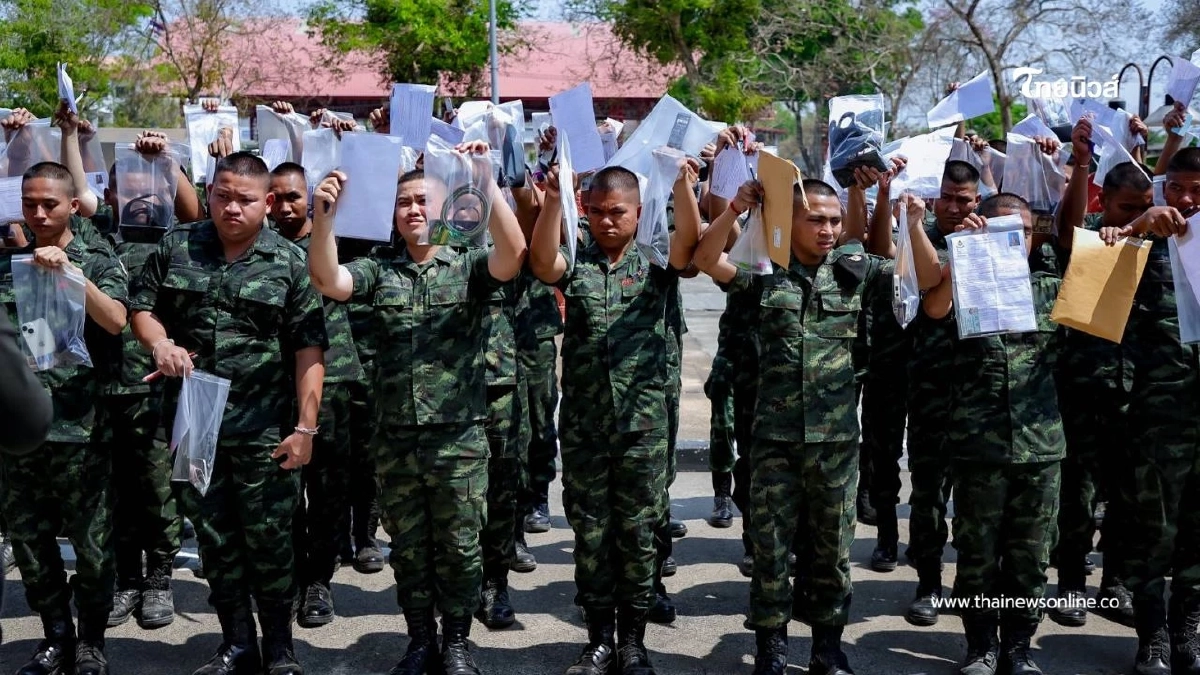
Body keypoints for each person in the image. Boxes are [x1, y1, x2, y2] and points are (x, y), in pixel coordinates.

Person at [692, 176, 940, 675]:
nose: (828, 229)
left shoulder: (857, 270)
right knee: (770, 548)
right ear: (790, 222)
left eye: (833, 220)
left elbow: (927, 283)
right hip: (773, 442)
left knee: (832, 551)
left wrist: (913, 224)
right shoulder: (766, 270)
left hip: (835, 444)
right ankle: (772, 647)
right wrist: (736, 207)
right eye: (816, 219)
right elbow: (705, 260)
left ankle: (827, 647)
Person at [306, 146, 527, 675]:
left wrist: (487, 183)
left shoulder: (469, 265)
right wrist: (324, 220)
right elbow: (326, 280)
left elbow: (513, 253)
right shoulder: (379, 272)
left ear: (446, 207)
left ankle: (456, 642)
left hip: (460, 440)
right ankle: (420, 639)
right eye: (403, 202)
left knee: (459, 545)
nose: (414, 211)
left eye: (423, 201)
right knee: (409, 548)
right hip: (397, 439)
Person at [131, 152, 327, 675]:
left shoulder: (288, 262)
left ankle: (281, 648)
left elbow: (310, 349)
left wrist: (306, 429)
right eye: (222, 196)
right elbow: (142, 307)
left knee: (271, 541)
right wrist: (160, 344)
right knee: (216, 541)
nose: (231, 208)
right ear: (209, 193)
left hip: (265, 428)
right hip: (196, 422)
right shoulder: (177, 247)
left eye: (244, 199)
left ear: (266, 203)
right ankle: (236, 643)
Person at [529, 154, 699, 675]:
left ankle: (635, 641)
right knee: (592, 532)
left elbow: (690, 250)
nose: (607, 220)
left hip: (643, 427)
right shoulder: (576, 258)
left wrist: (683, 186)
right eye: (598, 210)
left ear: (639, 211)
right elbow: (541, 264)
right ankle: (600, 638)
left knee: (640, 532)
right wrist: (554, 199)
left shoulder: (653, 257)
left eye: (618, 211)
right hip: (585, 427)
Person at [923, 193, 1063, 675]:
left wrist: (1122, 233)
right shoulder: (964, 282)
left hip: (1040, 447)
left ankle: (1018, 647)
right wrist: (963, 249)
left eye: (1021, 233)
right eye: (1001, 231)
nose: (1014, 242)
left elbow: (1106, 310)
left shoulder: (1051, 289)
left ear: (1033, 236)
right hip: (978, 447)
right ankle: (980, 644)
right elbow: (934, 310)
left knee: (1030, 556)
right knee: (978, 553)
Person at [3, 161, 129, 675]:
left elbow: (117, 321)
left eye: (48, 204)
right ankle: (55, 634)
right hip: (20, 433)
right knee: (30, 544)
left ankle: (91, 640)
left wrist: (72, 275)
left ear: (72, 206)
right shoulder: (9, 263)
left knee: (93, 546)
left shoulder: (98, 257)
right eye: (29, 204)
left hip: (81, 427)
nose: (37, 213)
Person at [94, 129, 203, 632]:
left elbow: (193, 211)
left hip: (157, 387)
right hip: (102, 387)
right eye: (129, 186)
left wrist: (167, 164)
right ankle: (128, 581)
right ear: (109, 194)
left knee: (158, 489)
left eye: (150, 186)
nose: (141, 195)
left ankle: (159, 578)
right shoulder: (98, 235)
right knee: (114, 492)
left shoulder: (176, 242)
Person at [1099, 137, 1200, 675]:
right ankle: (1153, 636)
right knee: (1151, 530)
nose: (1184, 202)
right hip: (1159, 417)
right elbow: (1090, 290)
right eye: (1176, 188)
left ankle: (1188, 631)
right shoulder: (1143, 243)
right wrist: (1136, 229)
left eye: (1196, 192)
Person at [1046, 117, 1150, 629]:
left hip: (1136, 393)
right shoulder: (1090, 238)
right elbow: (1065, 233)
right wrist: (1082, 160)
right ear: (1102, 202)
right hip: (1082, 389)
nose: (1134, 216)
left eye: (1141, 208)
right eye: (1125, 208)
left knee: (1128, 495)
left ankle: (1115, 585)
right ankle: (1069, 584)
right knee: (1079, 493)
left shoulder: (1156, 247)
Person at [267, 161, 365, 628]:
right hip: (272, 382)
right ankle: (285, 581)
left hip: (333, 380)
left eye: (293, 196)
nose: (285, 206)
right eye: (277, 197)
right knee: (280, 491)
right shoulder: (258, 246)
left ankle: (319, 583)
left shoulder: (333, 238)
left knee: (327, 491)